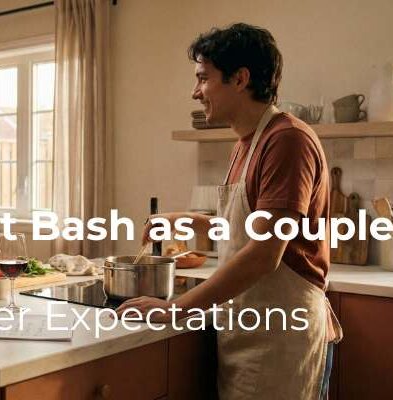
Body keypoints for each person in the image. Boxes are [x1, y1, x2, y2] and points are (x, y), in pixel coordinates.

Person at [117, 24, 342, 399]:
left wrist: (176, 309)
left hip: (281, 335)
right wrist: (183, 220)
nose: (195, 92)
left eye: (203, 79)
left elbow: (264, 253)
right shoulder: (246, 143)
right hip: (249, 329)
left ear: (240, 79)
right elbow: (242, 230)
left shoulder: (288, 140)